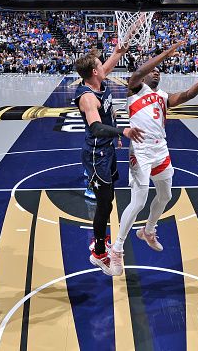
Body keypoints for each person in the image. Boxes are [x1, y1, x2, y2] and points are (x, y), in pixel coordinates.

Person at [109, 42, 198, 276]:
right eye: (153, 70)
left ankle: (148, 230)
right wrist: (164, 54)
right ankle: (117, 249)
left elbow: (189, 94)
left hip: (160, 149)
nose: (156, 72)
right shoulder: (134, 89)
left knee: (166, 195)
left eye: (159, 71)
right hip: (140, 151)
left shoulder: (164, 97)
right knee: (139, 200)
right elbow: (138, 73)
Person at [74, 46, 144, 275]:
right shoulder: (87, 97)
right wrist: (120, 132)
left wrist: (120, 50)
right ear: (95, 72)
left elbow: (111, 61)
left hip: (107, 150)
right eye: (100, 64)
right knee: (104, 203)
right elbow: (94, 127)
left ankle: (100, 243)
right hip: (97, 155)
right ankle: (99, 252)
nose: (104, 65)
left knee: (108, 199)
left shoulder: (96, 79)